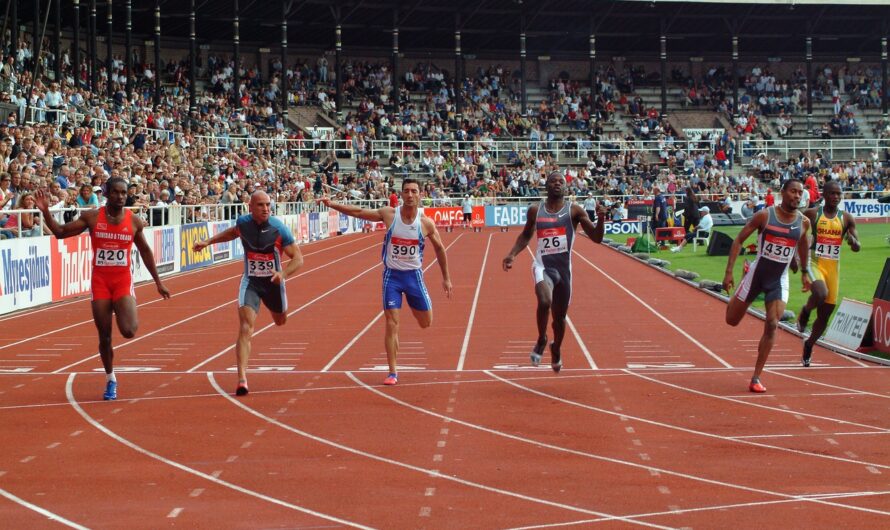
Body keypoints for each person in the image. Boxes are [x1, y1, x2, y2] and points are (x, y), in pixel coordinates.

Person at [36, 178, 171, 401]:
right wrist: (46, 212)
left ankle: (123, 305)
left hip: (121, 280)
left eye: (124, 193)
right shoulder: (92, 217)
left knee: (129, 331)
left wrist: (158, 282)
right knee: (105, 337)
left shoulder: (134, 221)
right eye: (116, 192)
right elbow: (60, 232)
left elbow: (146, 251)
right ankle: (111, 379)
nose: (120, 196)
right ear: (107, 193)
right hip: (100, 281)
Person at [320, 178, 453, 386]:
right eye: (406, 191)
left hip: (414, 276)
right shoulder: (389, 215)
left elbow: (440, 248)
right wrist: (333, 205)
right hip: (392, 276)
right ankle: (392, 371)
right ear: (401, 194)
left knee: (426, 322)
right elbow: (358, 212)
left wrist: (446, 278)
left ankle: (414, 310)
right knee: (392, 323)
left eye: (414, 191)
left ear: (420, 195)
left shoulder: (425, 223)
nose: (410, 195)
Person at [193, 191, 304, 396]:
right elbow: (232, 233)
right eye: (260, 205)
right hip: (251, 282)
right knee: (246, 327)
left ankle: (273, 308)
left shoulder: (279, 229)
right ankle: (242, 378)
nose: (266, 209)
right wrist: (208, 242)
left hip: (273, 283)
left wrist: (283, 273)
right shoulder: (243, 223)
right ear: (250, 207)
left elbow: (298, 258)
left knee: (280, 320)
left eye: (268, 205)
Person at [502, 171, 607, 372]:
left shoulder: (574, 211)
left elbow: (597, 238)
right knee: (544, 301)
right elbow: (525, 236)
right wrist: (512, 254)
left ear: (566, 187)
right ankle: (541, 339)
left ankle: (556, 348)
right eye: (553, 181)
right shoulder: (535, 210)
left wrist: (601, 219)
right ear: (546, 185)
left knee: (559, 319)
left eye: (561, 181)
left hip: (564, 272)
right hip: (543, 266)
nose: (557, 184)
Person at [723, 179, 812, 393]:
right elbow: (738, 240)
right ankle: (738, 297)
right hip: (756, 275)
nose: (797, 196)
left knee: (772, 323)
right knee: (731, 320)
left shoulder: (803, 222)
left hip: (779, 279)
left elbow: (802, 244)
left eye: (800, 193)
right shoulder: (765, 215)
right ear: (783, 192)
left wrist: (803, 271)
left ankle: (756, 377)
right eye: (793, 192)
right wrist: (728, 273)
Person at [796, 180, 860, 366]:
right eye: (832, 193)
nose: (836, 197)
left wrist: (854, 242)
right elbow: (797, 231)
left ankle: (809, 344)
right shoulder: (813, 214)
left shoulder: (846, 218)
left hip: (833, 267)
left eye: (839, 194)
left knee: (825, 314)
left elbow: (857, 245)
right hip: (815, 262)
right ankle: (806, 311)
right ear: (824, 195)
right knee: (820, 293)